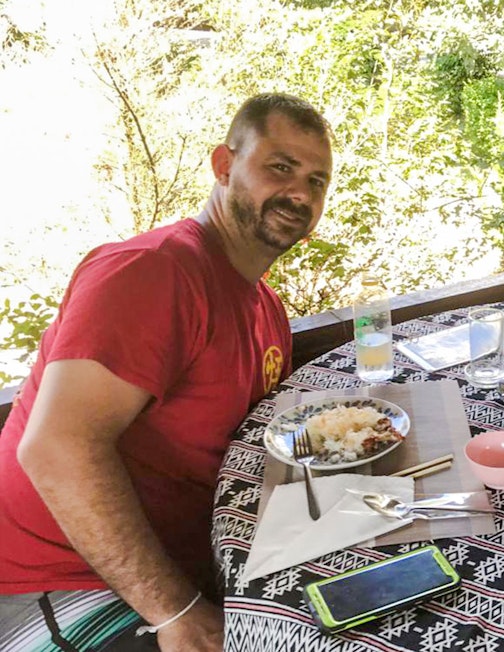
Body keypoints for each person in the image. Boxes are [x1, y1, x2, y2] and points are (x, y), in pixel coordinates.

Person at [0, 93, 334, 651]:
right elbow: (55, 450)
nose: (300, 192)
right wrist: (175, 610)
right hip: (63, 580)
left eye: (317, 180)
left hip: (192, 564)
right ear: (224, 166)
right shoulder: (152, 272)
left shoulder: (265, 308)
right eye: (280, 167)